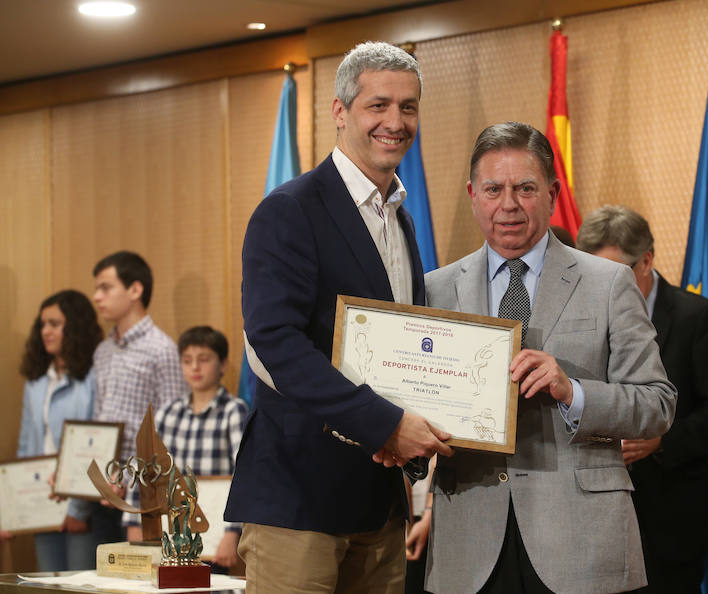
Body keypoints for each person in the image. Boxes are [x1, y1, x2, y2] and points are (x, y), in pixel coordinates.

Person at [225, 41, 452, 593]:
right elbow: (274, 344)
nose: (395, 122)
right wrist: (387, 425)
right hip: (298, 498)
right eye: (378, 105)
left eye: (408, 107)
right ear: (340, 111)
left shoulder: (401, 220)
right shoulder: (290, 209)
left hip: (378, 503)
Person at [423, 122, 677, 594]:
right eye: (493, 189)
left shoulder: (608, 282)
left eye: (525, 188)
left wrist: (573, 392)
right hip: (470, 547)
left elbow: (657, 404)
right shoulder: (435, 290)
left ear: (552, 194)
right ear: (473, 195)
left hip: (582, 544)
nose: (508, 205)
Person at [577, 205, 708, 593]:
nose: (601, 286)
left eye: (613, 273)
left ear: (646, 261)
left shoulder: (696, 317)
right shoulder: (580, 320)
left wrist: (662, 440)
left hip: (671, 521)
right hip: (595, 520)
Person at [5, 290, 104, 571]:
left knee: (80, 584)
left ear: (75, 327)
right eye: (42, 324)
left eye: (54, 324)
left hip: (82, 504)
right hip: (42, 500)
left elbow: (94, 448)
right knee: (48, 582)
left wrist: (77, 509)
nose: (45, 331)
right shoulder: (37, 379)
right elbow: (27, 444)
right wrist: (17, 506)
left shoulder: (94, 376)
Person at [91, 250, 186, 542]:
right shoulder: (103, 350)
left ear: (135, 289)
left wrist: (128, 478)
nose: (96, 296)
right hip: (101, 488)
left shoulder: (161, 349)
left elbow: (168, 430)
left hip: (140, 494)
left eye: (105, 288)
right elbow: (99, 420)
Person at [155, 326, 248, 572]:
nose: (195, 367)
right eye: (187, 361)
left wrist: (233, 532)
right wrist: (135, 522)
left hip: (215, 536)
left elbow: (244, 475)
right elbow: (151, 471)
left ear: (223, 364)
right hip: (170, 536)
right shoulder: (167, 413)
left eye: (204, 359)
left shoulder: (233, 411)